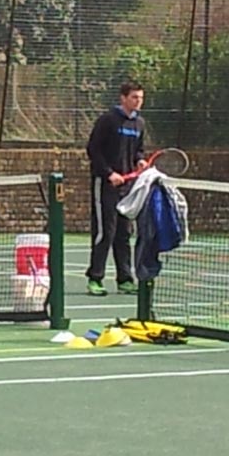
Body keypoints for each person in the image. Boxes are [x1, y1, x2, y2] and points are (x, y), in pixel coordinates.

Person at [84, 82, 147, 296]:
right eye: (134, 97)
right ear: (123, 98)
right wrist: (109, 173)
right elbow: (93, 149)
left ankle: (125, 279)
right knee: (106, 232)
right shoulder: (108, 120)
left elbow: (138, 150)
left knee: (124, 232)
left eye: (140, 98)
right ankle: (95, 278)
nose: (138, 101)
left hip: (127, 186)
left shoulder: (139, 123)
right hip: (105, 184)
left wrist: (139, 161)